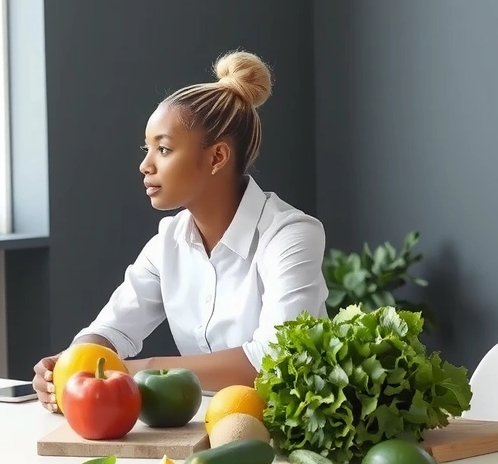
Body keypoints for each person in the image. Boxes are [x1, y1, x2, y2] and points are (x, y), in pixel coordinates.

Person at [32, 50, 327, 411]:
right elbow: (111, 329)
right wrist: (69, 366)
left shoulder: (290, 235)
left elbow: (275, 357)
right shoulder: (167, 243)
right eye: (147, 148)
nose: (145, 165)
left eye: (164, 149)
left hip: (285, 425)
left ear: (217, 157)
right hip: (204, 426)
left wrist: (137, 370)